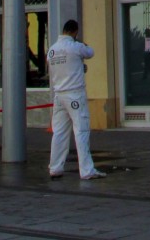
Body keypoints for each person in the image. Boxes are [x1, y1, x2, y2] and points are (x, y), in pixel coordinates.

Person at [47, 20, 105, 180]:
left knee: (59, 133)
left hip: (59, 95)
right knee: (81, 131)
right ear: (75, 32)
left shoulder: (51, 51)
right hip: (75, 95)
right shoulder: (75, 46)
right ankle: (86, 170)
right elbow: (90, 52)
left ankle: (55, 167)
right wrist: (81, 43)